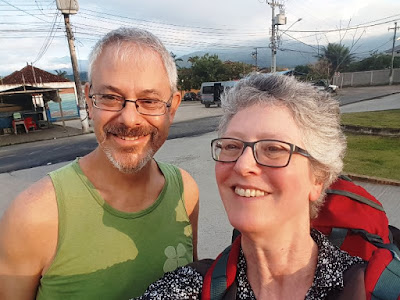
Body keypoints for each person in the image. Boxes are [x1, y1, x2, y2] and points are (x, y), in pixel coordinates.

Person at [0, 27, 199, 299]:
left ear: (172, 108)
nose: (130, 119)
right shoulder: (34, 215)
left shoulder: (185, 193)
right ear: (89, 101)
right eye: (110, 97)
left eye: (149, 101)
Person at [134, 73, 367, 299]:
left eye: (273, 149)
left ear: (317, 178)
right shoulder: (188, 288)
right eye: (232, 146)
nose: (243, 165)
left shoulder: (374, 287)